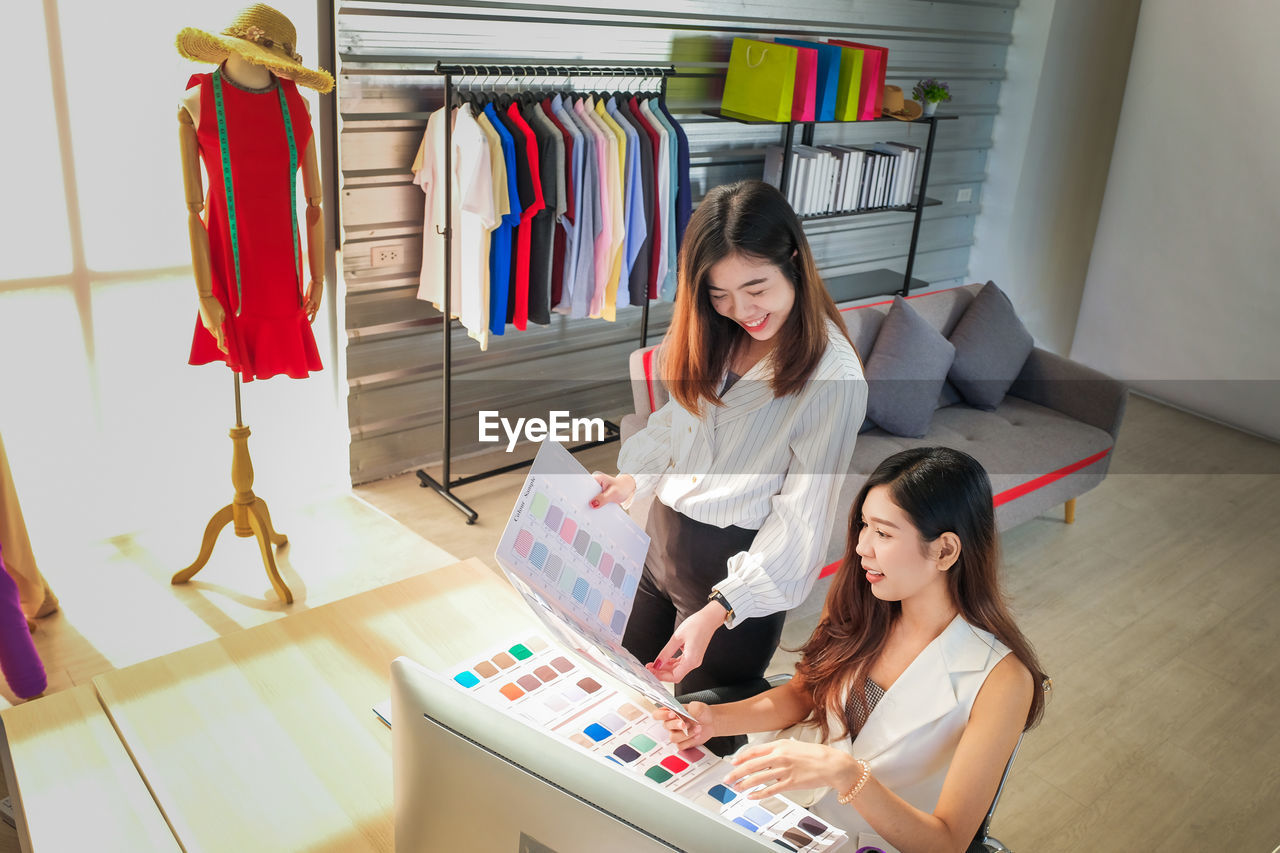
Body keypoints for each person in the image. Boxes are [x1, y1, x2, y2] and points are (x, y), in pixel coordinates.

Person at [656, 447, 1048, 853]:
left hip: (860, 838)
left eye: (883, 533)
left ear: (945, 550)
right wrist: (712, 721)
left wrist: (846, 774)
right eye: (863, 526)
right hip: (771, 803)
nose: (862, 547)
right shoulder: (861, 603)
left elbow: (946, 842)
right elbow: (803, 694)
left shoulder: (1002, 681)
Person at [592, 179, 867, 694]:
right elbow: (678, 421)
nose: (742, 311)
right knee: (623, 690)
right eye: (720, 295)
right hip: (657, 544)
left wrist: (722, 608)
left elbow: (802, 518)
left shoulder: (834, 378)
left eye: (756, 289)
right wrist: (631, 480)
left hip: (733, 577)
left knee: (701, 731)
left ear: (794, 259)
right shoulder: (717, 333)